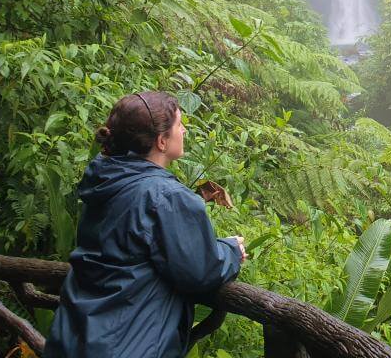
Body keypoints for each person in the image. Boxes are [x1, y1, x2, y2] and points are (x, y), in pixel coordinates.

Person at [44, 91, 246, 358]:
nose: (184, 130)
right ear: (162, 141)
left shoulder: (104, 178)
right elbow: (200, 270)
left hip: (73, 337)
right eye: (179, 125)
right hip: (126, 345)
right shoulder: (166, 197)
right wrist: (231, 250)